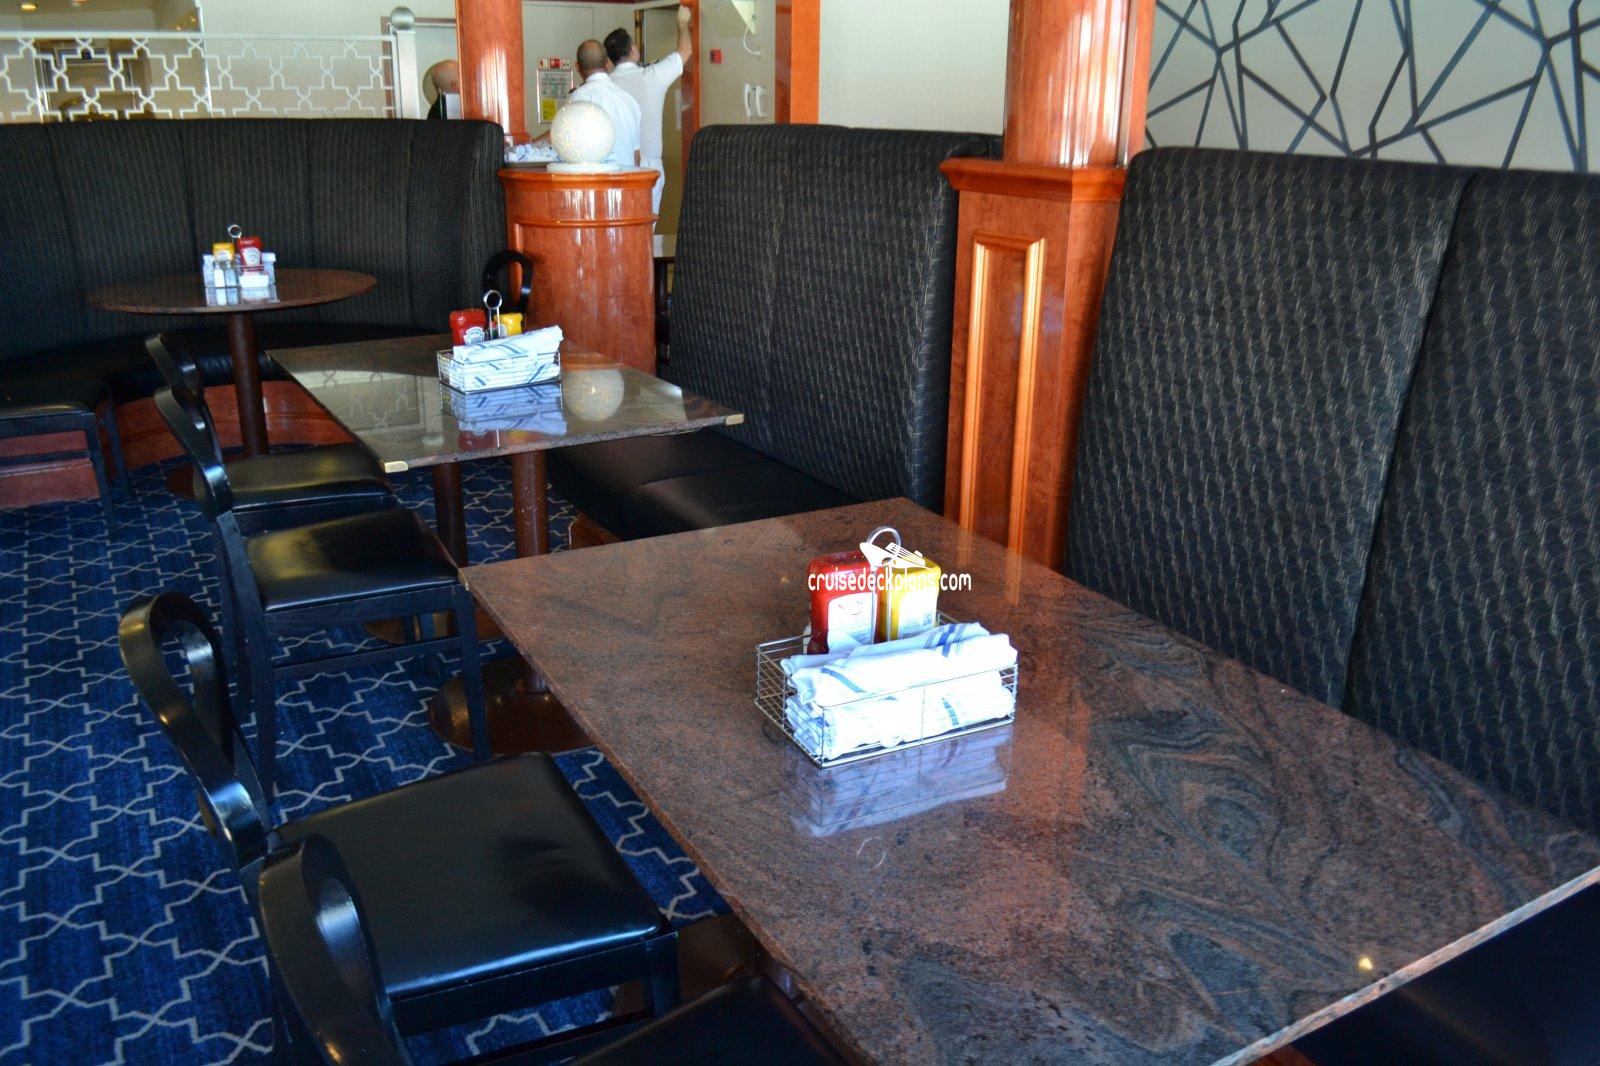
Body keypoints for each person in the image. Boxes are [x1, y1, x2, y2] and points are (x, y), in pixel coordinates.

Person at [605, 6, 692, 216]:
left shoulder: (605, 86)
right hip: (650, 166)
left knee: (617, 224)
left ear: (609, 60)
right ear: (633, 50)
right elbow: (685, 51)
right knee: (645, 227)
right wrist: (682, 22)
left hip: (614, 167)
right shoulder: (653, 76)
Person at [567, 38, 642, 168]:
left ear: (577, 66)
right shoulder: (629, 100)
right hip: (628, 178)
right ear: (607, 63)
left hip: (597, 178)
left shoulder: (580, 97)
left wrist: (532, 145)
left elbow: (566, 143)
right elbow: (637, 158)